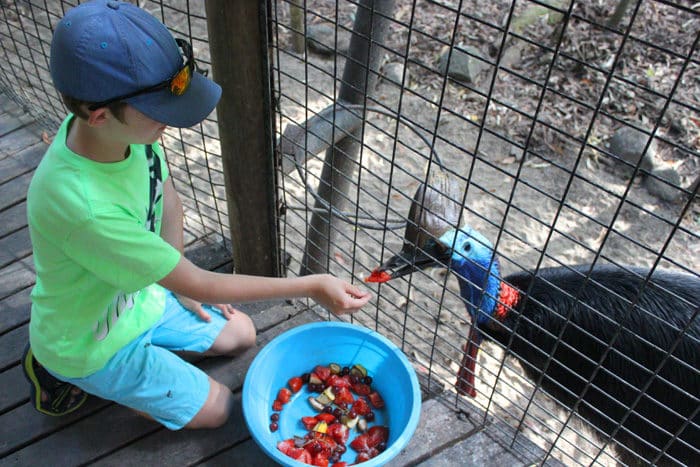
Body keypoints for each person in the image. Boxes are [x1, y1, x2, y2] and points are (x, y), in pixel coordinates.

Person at [23, 0, 371, 430]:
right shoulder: (83, 207)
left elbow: (167, 199)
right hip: (89, 343)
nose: (169, 123)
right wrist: (312, 285)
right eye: (160, 113)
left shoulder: (124, 134)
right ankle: (64, 373)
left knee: (241, 333)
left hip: (137, 300)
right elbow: (204, 281)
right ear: (98, 115)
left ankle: (148, 363)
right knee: (221, 408)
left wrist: (181, 288)